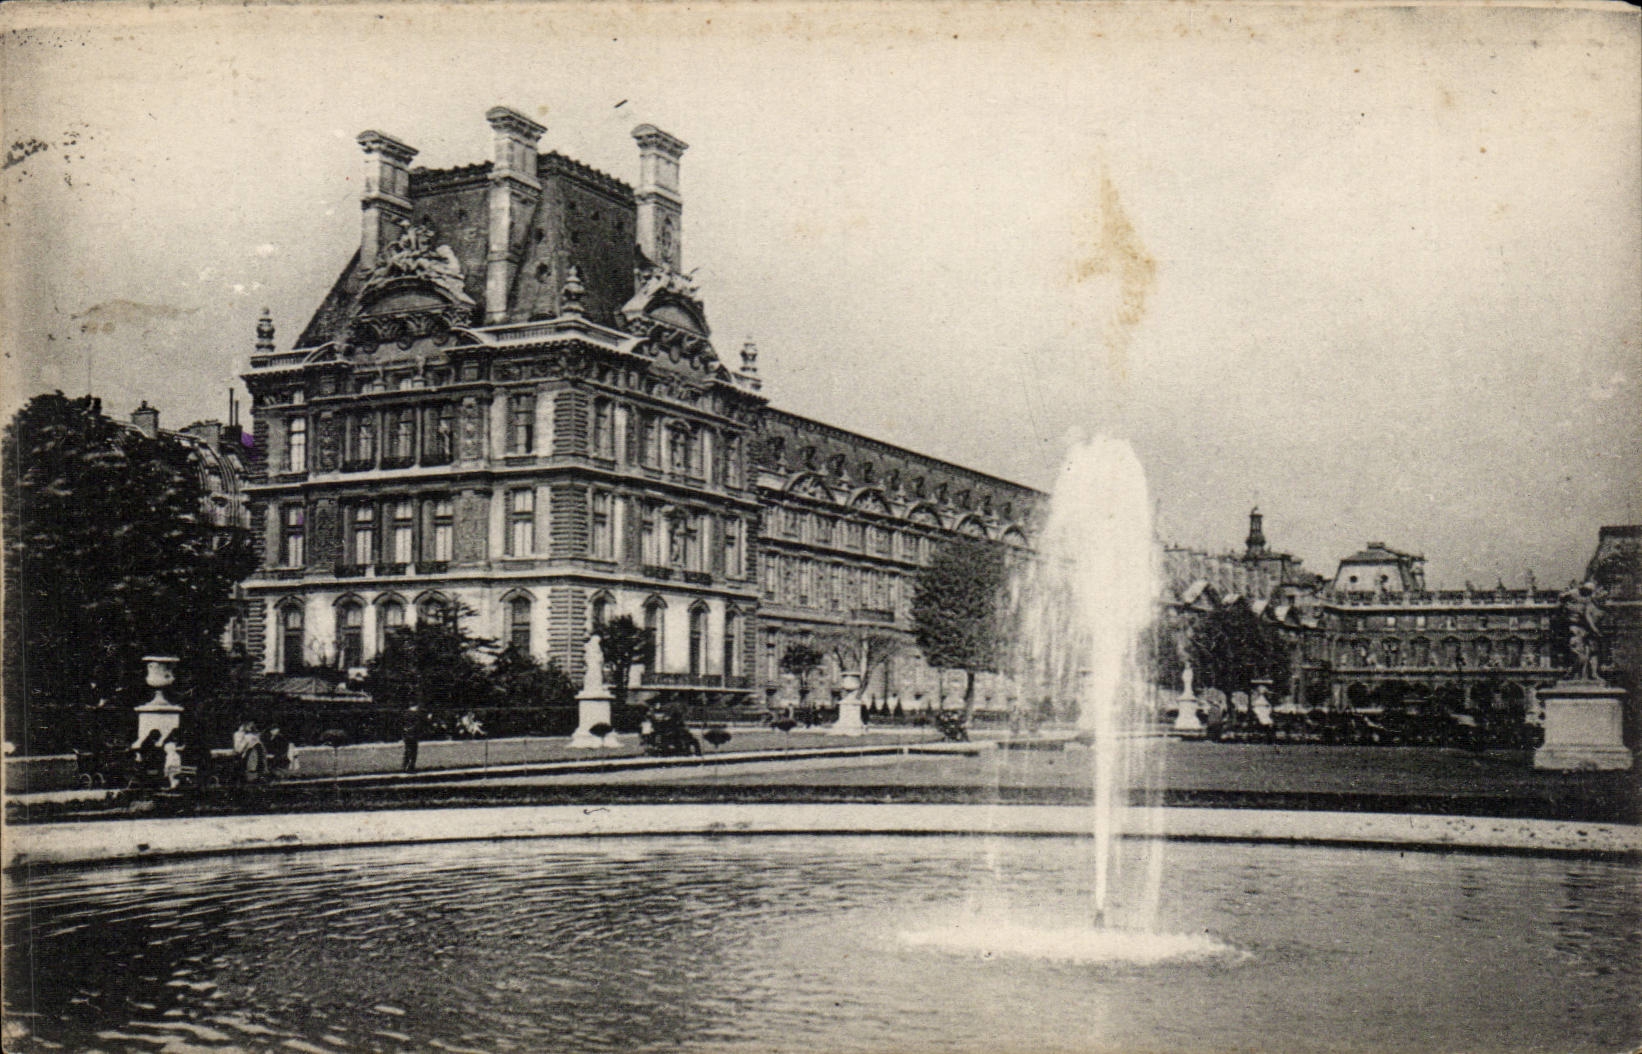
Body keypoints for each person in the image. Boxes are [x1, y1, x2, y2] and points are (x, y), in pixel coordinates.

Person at [402, 703, 424, 773]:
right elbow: (417, 725)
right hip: (413, 734)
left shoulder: (405, 713)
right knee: (413, 751)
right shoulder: (416, 715)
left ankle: (405, 766)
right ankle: (410, 767)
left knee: (407, 750)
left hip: (406, 734)